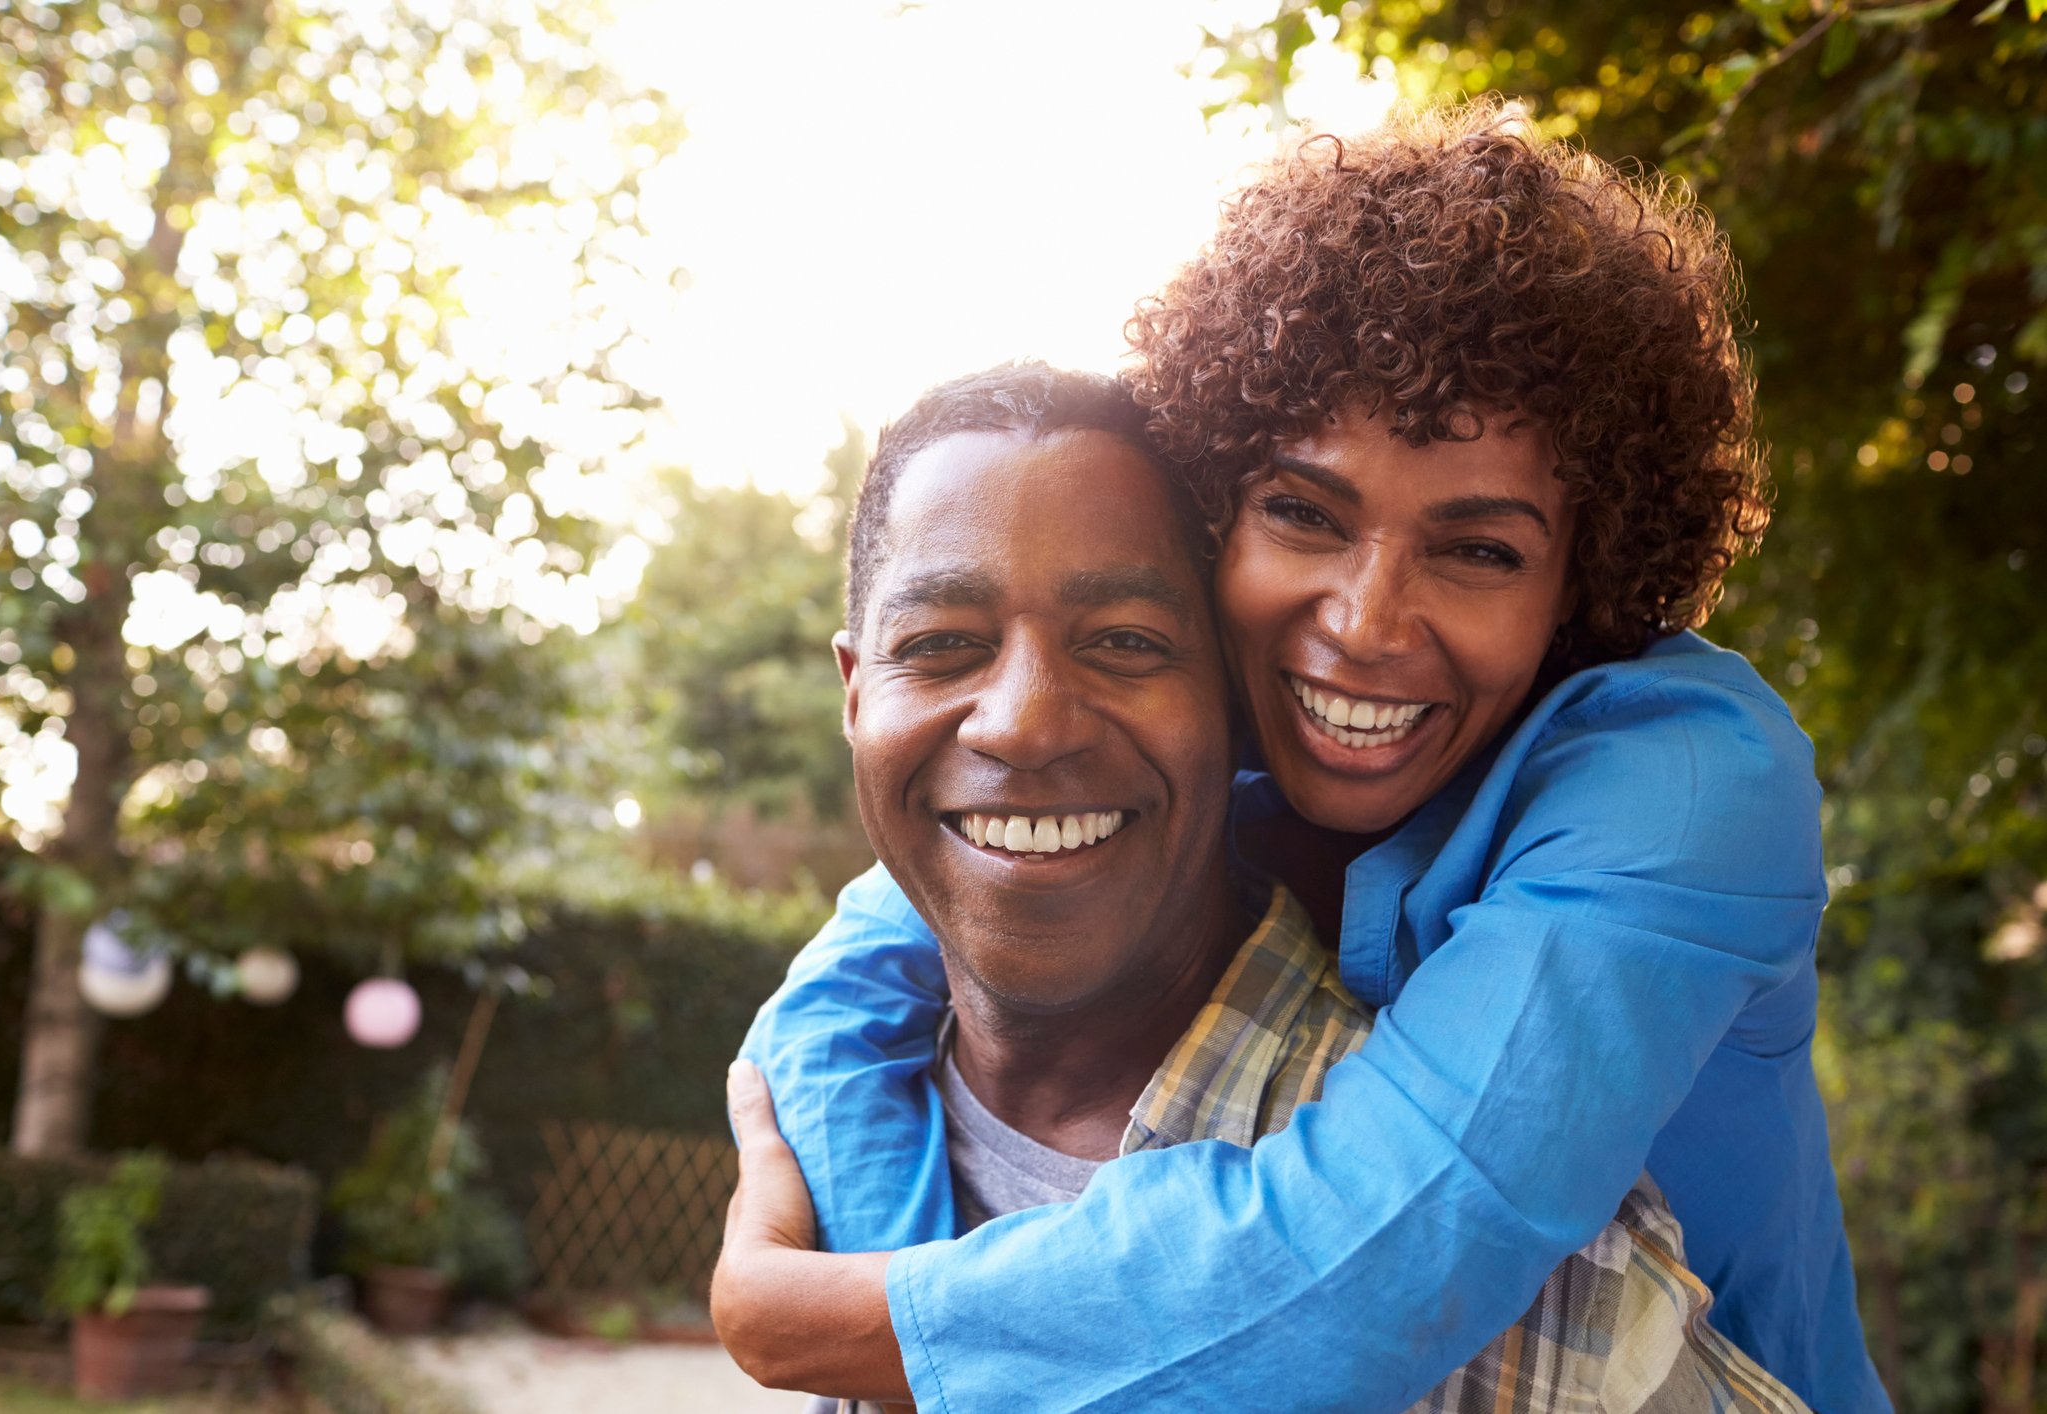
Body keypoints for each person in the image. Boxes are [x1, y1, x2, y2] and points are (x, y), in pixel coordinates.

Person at [718, 101, 1887, 1413]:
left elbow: (1365, 1263)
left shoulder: (1685, 784)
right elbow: (881, 944)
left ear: (1581, 579)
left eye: (1477, 548)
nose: (1364, 622)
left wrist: (817, 1320)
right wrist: (879, 1243)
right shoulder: (1213, 724)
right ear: (1219, 513)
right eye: (1300, 511)